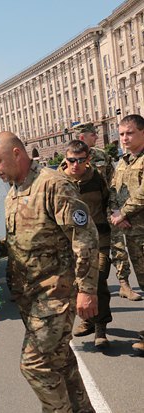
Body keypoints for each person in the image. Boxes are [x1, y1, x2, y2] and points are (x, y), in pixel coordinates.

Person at [0, 132, 98, 412]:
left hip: (55, 294)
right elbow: (22, 240)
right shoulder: (14, 193)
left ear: (16, 154)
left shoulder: (53, 185)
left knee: (35, 364)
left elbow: (84, 237)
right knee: (61, 362)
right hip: (30, 297)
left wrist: (87, 290)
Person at [74, 123, 139, 300]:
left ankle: (124, 284)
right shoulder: (71, 158)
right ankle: (85, 288)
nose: (96, 137)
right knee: (84, 251)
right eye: (93, 134)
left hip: (107, 208)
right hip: (84, 214)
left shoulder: (101, 155)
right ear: (82, 137)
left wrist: (117, 208)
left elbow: (113, 181)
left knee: (118, 246)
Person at [60, 140, 112, 348]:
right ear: (65, 159)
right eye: (71, 160)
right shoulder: (58, 181)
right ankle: (88, 320)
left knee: (98, 279)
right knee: (77, 282)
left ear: (88, 159)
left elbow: (108, 201)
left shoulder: (96, 178)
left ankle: (101, 328)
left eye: (81, 160)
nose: (76, 165)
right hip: (72, 242)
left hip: (99, 238)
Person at [109, 114, 144, 355]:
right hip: (132, 233)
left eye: (129, 133)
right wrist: (115, 212)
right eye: (121, 134)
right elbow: (114, 189)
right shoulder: (123, 162)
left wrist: (123, 213)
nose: (124, 138)